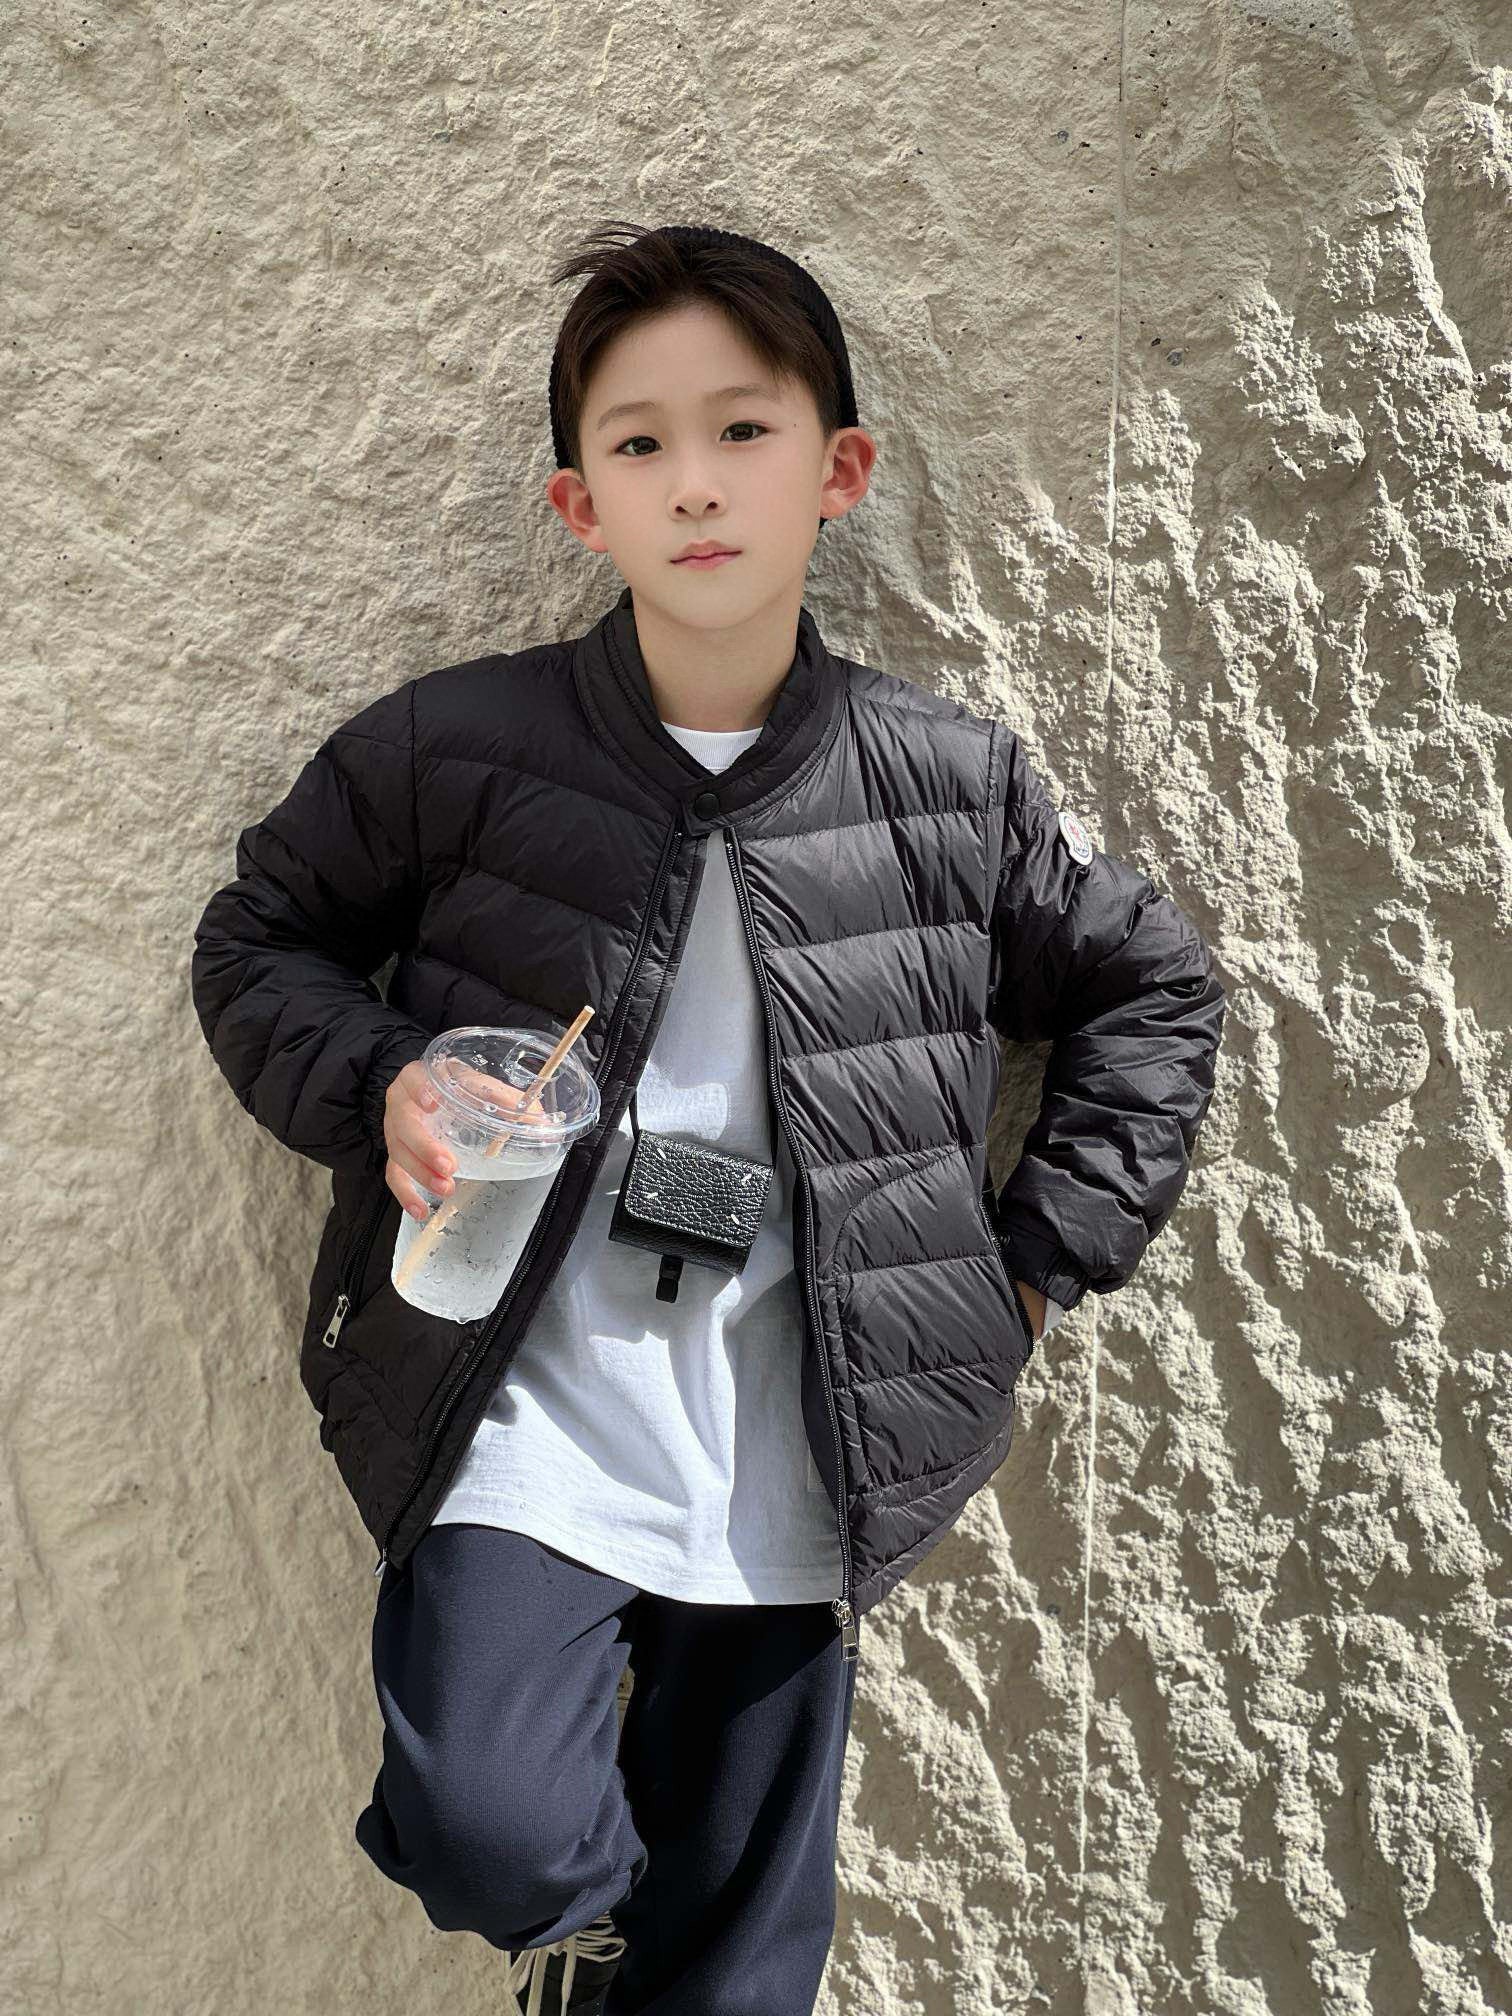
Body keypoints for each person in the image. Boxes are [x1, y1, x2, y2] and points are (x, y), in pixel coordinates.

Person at [190, 219, 1227, 2015]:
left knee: (741, 1963)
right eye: (639, 442)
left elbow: (1156, 991)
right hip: (525, 1399)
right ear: (578, 504)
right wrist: (384, 1082)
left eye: (744, 431)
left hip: (806, 1425)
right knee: (492, 1827)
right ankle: (588, 1948)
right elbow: (258, 935)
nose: (695, 484)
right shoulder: (454, 749)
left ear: (839, 472)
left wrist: (1031, 1269)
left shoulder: (947, 782)